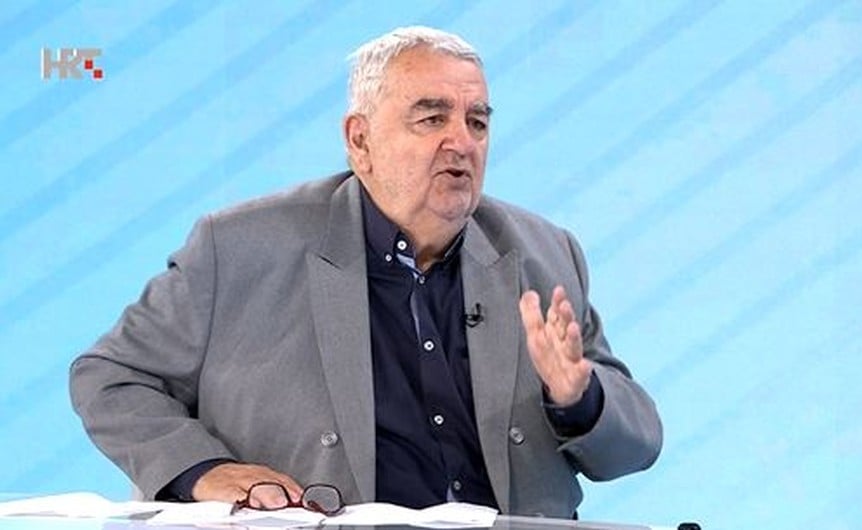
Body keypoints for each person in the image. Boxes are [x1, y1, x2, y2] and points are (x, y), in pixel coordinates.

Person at [70, 26, 661, 518]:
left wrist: (579, 399)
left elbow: (636, 446)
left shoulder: (542, 252)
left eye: (477, 122)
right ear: (360, 140)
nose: (462, 141)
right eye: (432, 119)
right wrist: (203, 470)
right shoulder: (239, 248)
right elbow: (111, 378)